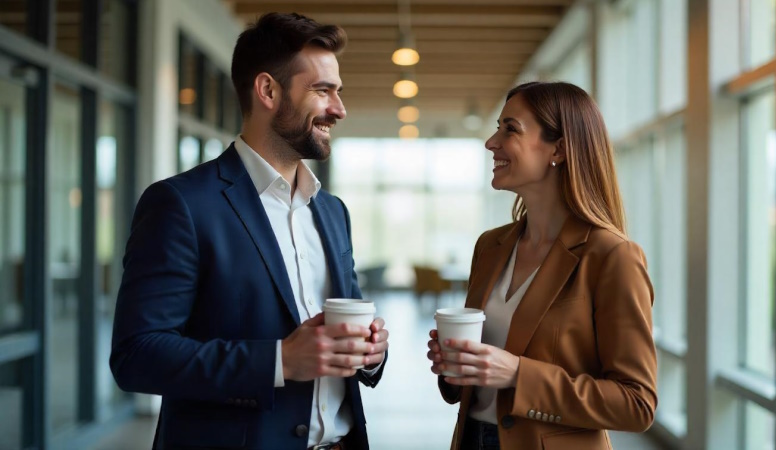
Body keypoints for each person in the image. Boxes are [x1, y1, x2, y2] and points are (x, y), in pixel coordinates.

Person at [110, 13, 389, 450]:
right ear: (268, 91)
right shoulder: (181, 204)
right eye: (322, 91)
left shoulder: (332, 211)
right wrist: (279, 361)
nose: (339, 108)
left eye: (338, 92)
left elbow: (344, 327)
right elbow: (137, 355)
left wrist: (370, 354)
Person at [426, 81, 657, 450]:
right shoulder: (490, 246)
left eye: (510, 129)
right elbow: (474, 381)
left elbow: (636, 404)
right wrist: (457, 368)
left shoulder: (612, 256)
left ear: (560, 149)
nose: (491, 142)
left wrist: (518, 374)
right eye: (497, 127)